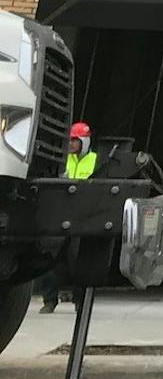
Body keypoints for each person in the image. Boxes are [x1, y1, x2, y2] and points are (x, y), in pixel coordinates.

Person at [40, 124, 97, 312]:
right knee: (49, 258)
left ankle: (80, 302)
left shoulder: (96, 161)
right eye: (70, 140)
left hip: (81, 217)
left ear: (85, 142)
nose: (71, 144)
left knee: (78, 261)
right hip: (61, 214)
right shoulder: (63, 160)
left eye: (75, 140)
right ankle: (49, 300)